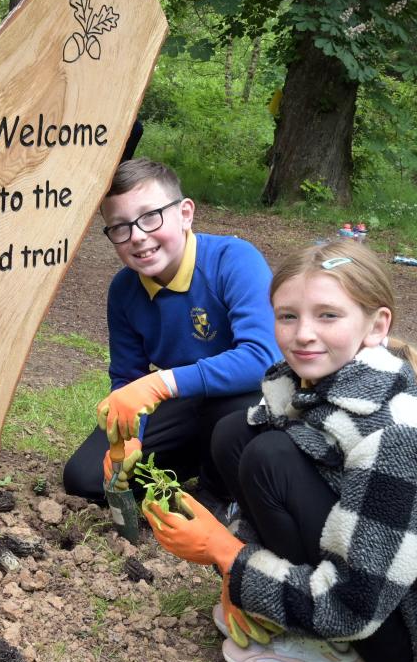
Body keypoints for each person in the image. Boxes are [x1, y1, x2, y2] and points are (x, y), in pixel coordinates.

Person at [145, 240, 417, 662]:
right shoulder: (301, 386)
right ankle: (285, 607)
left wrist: (226, 555)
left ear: (376, 325)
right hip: (368, 582)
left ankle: (328, 655)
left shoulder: (401, 436)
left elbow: (355, 605)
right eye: (287, 316)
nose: (303, 333)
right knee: (235, 433)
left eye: (328, 315)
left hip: (409, 626)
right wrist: (240, 583)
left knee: (271, 457)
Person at [62, 158, 279, 514]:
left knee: (238, 411)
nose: (137, 236)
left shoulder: (233, 258)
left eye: (150, 217)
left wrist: (161, 383)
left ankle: (218, 494)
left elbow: (262, 357)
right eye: (120, 227)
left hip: (247, 401)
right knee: (85, 478)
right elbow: (127, 379)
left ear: (185, 214)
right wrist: (130, 436)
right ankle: (190, 470)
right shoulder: (123, 290)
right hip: (186, 403)